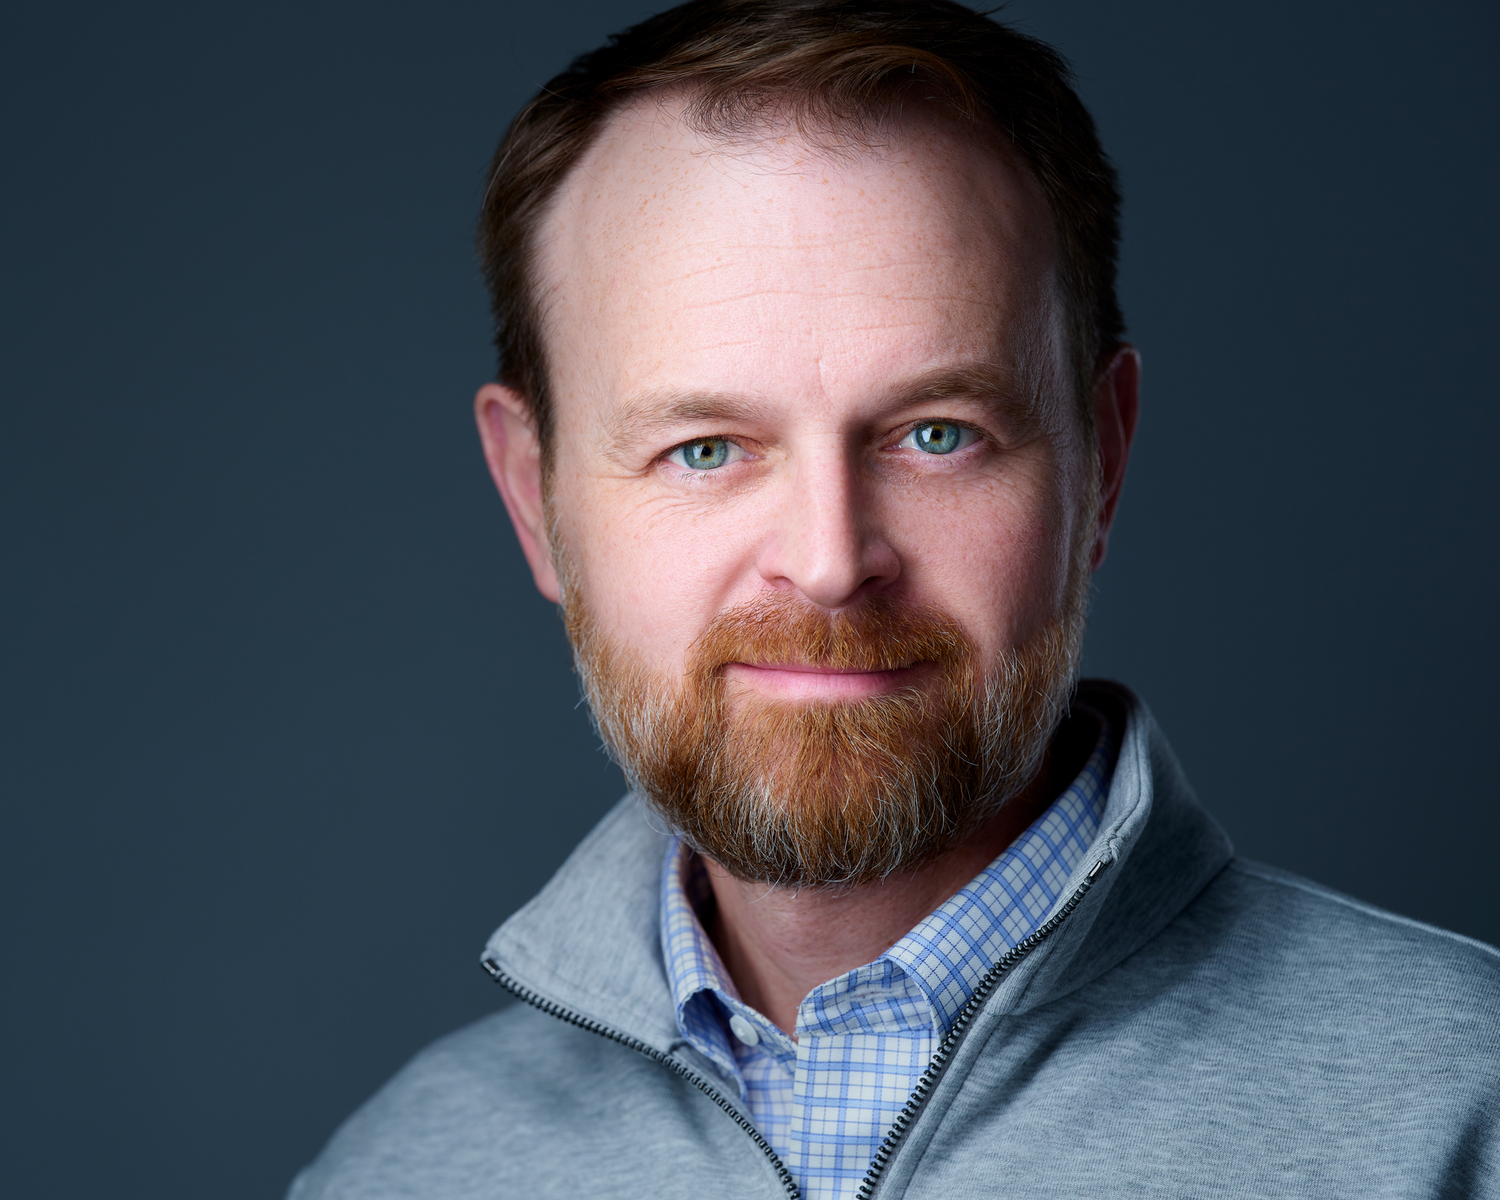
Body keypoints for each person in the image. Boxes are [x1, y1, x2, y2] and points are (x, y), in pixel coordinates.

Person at [287, 2, 1500, 1196]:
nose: (829, 562)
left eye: (937, 433)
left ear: (1103, 463)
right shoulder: (403, 1172)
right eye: (704, 449)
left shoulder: (1465, 1112)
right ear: (531, 496)